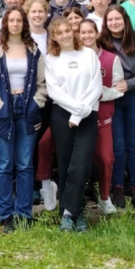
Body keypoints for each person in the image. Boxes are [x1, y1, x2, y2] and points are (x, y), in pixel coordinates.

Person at [0, 6, 47, 233]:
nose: (15, 24)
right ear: (5, 23)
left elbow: (43, 83)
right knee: (4, 164)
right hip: (2, 111)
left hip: (27, 110)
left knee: (25, 164)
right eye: (11, 20)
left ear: (24, 24)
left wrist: (36, 103)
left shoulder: (34, 51)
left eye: (19, 20)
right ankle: (6, 215)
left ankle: (24, 214)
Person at [44, 16, 104, 232]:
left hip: (87, 115)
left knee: (81, 165)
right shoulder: (51, 58)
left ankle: (70, 213)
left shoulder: (88, 54)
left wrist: (79, 114)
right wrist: (75, 110)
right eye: (59, 33)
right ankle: (73, 216)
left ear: (73, 31)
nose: (65, 35)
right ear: (54, 37)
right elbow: (54, 91)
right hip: (62, 116)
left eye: (67, 31)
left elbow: (96, 86)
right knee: (66, 164)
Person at [100, 5, 135, 210]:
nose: (114, 23)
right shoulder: (101, 42)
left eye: (118, 19)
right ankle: (118, 188)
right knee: (117, 146)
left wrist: (129, 84)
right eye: (110, 20)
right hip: (111, 98)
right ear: (105, 23)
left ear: (125, 20)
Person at [79, 18, 126, 215]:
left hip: (102, 119)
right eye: (82, 32)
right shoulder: (72, 56)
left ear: (97, 33)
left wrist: (100, 93)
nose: (87, 36)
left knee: (106, 159)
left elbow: (119, 89)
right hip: (78, 119)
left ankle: (105, 197)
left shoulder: (111, 59)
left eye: (90, 32)